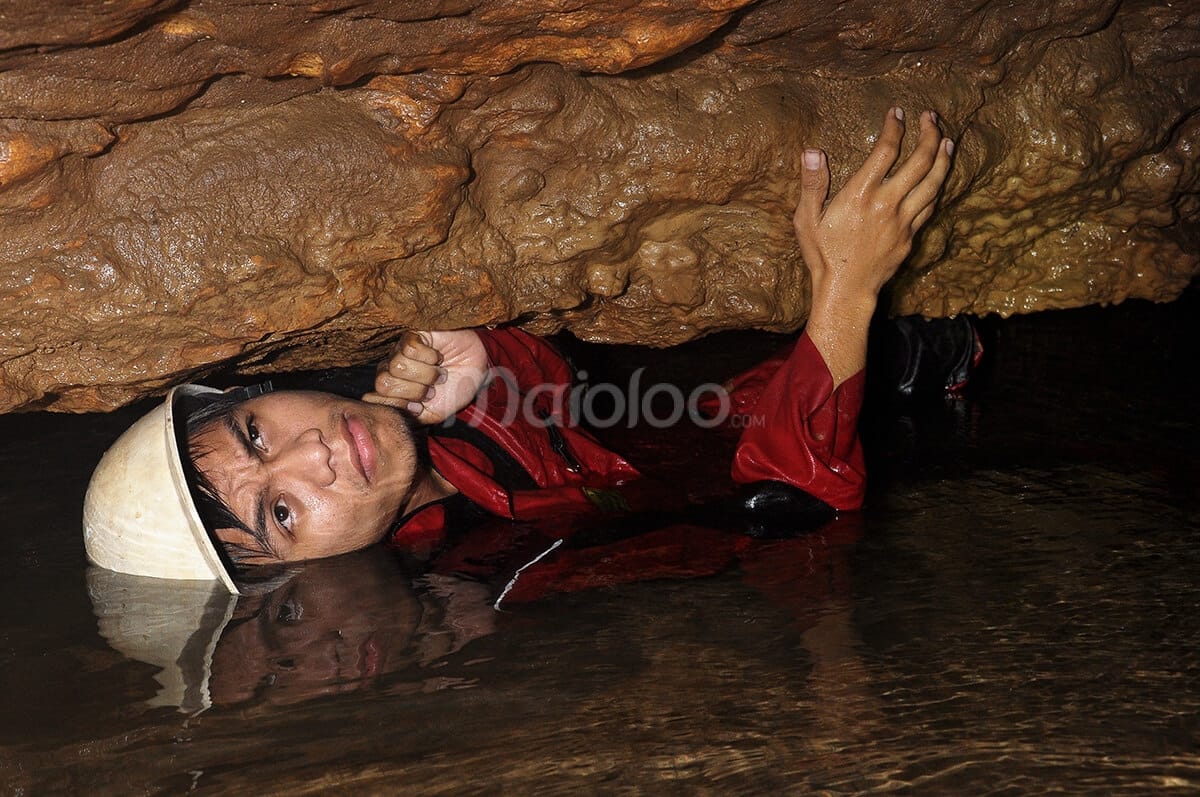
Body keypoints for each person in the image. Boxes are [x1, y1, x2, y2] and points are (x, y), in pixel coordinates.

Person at [83, 108, 959, 595]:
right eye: (281, 515)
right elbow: (790, 515)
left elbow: (570, 405)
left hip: (739, 415)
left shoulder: (431, 452)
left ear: (259, 390)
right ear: (307, 580)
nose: (311, 456)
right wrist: (845, 292)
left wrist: (484, 365)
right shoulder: (500, 573)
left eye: (254, 436)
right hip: (835, 471)